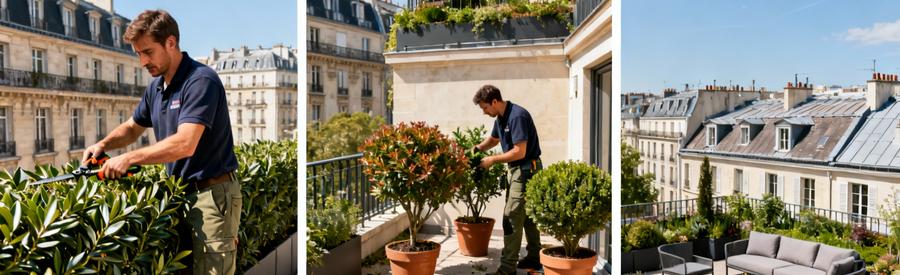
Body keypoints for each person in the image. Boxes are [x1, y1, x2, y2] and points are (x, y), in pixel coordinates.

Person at [82, 10, 241, 275]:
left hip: (212, 195)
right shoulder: (156, 88)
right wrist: (103, 145)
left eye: (148, 52)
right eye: (138, 54)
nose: (143, 61)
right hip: (179, 195)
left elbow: (185, 143)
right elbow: (133, 128)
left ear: (171, 42)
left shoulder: (200, 81)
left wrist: (129, 158)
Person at [471, 85, 543, 275]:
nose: (484, 112)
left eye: (485, 108)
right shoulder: (501, 117)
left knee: (511, 217)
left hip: (526, 169)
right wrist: (477, 149)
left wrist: (492, 160)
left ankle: (507, 268)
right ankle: (535, 258)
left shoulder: (517, 116)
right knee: (527, 216)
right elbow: (494, 140)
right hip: (519, 170)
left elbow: (520, 151)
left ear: (494, 102)